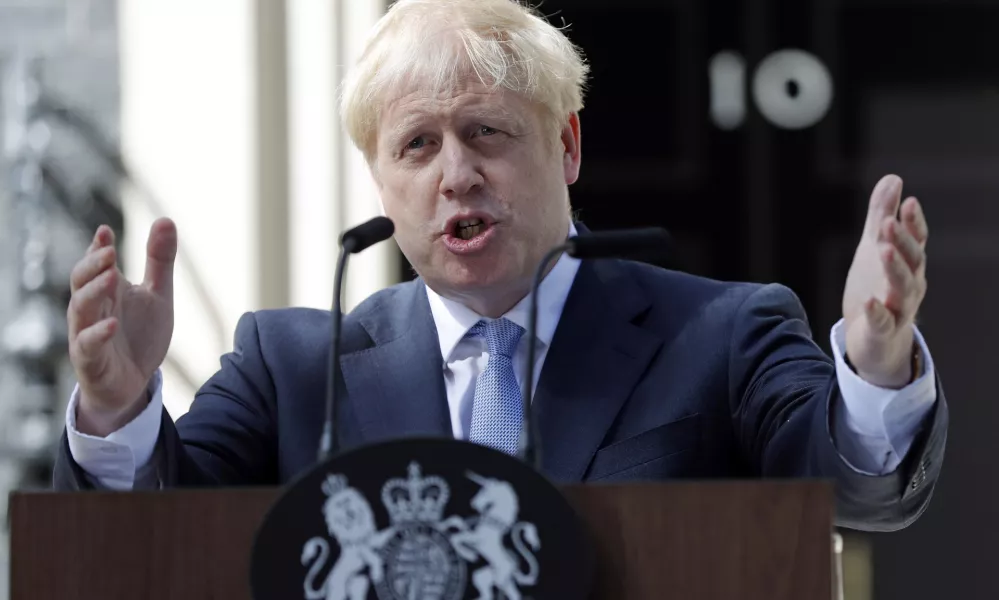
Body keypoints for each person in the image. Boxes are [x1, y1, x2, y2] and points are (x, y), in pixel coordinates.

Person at [54, 0, 946, 531]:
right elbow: (153, 540)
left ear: (565, 145)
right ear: (379, 179)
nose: (456, 174)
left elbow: (852, 492)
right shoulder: (287, 370)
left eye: (486, 131)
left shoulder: (722, 333)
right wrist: (116, 408)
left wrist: (872, 363)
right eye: (416, 145)